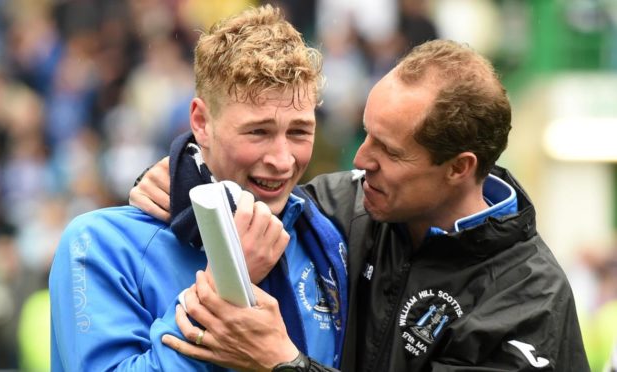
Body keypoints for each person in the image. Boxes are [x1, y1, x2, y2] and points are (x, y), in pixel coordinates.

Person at [131, 39, 591, 371]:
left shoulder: (529, 302)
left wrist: (284, 364)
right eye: (366, 132)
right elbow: (246, 199)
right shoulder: (350, 206)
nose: (360, 159)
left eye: (389, 151)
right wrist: (181, 172)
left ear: (458, 168)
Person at [49, 5, 348, 371]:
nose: (283, 160)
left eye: (299, 132)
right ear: (201, 122)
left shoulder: (329, 235)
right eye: (259, 132)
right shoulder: (100, 244)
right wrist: (227, 281)